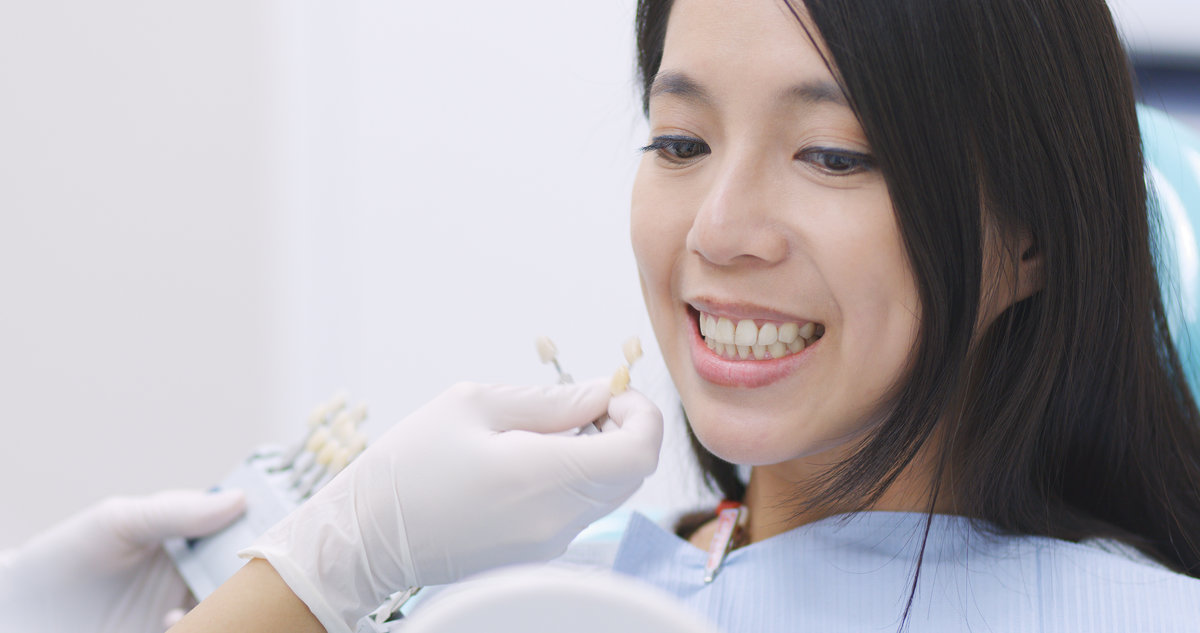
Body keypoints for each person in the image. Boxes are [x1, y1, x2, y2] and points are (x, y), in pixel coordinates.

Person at [11, 0, 1200, 631]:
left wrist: (319, 580)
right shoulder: (529, 590)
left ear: (1029, 239)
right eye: (679, 142)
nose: (720, 229)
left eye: (834, 155)